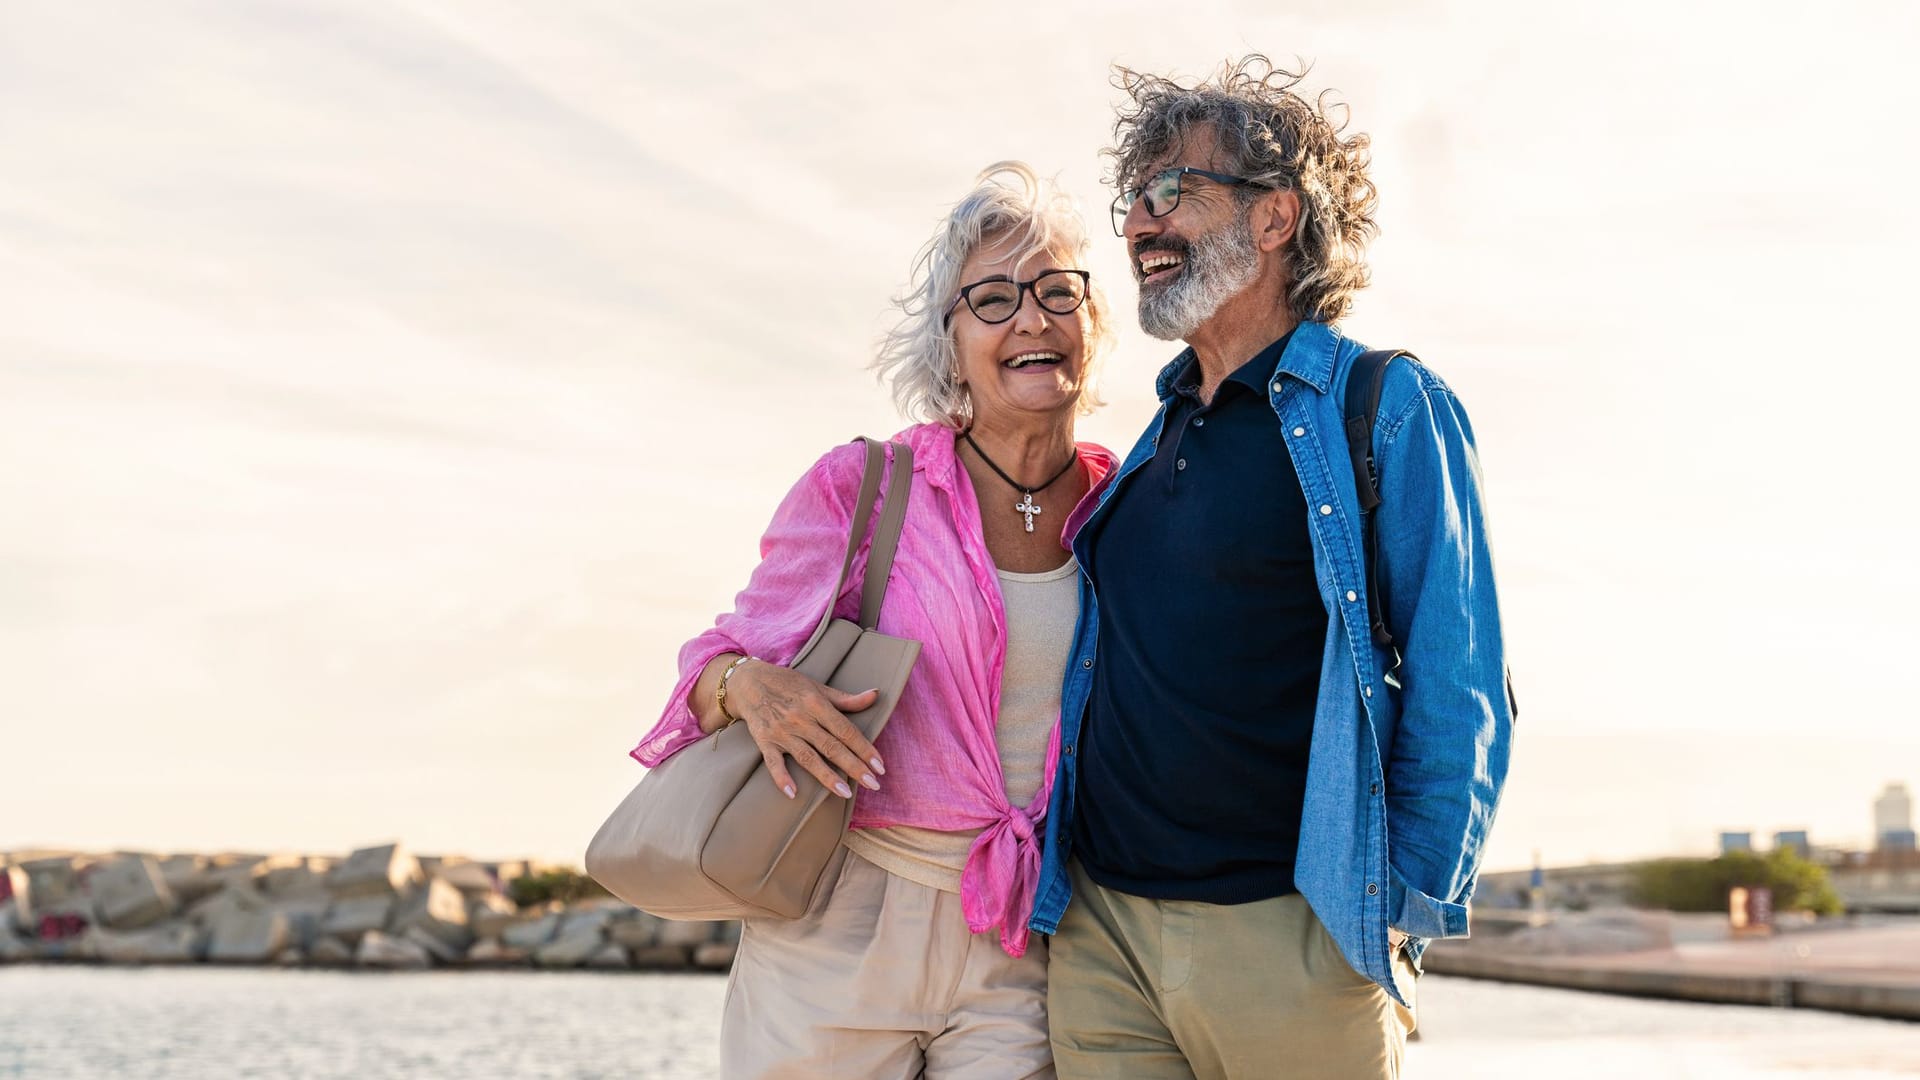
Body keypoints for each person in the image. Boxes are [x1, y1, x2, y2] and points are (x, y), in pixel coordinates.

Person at [1029, 57, 1516, 1079]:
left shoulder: (1382, 406)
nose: (1138, 226)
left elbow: (1461, 684)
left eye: (1175, 194)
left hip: (1289, 939)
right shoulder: (1154, 440)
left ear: (1273, 218)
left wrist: (1392, 918)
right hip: (1103, 936)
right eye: (1134, 201)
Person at [632, 162, 1117, 1080]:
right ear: (950, 337)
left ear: (1089, 322)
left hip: (1022, 936)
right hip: (839, 923)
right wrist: (749, 688)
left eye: (1058, 291)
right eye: (994, 298)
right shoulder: (866, 490)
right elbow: (712, 662)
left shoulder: (1126, 507)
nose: (1031, 317)